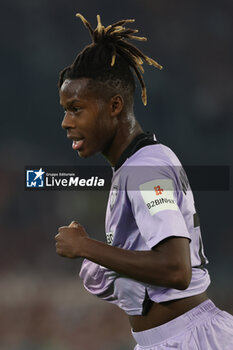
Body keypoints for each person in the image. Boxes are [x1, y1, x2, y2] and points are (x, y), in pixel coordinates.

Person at [55, 13, 233, 350]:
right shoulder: (133, 168)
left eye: (76, 108)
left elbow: (175, 269)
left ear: (115, 106)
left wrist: (86, 247)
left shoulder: (145, 170)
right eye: (65, 109)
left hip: (190, 340)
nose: (66, 122)